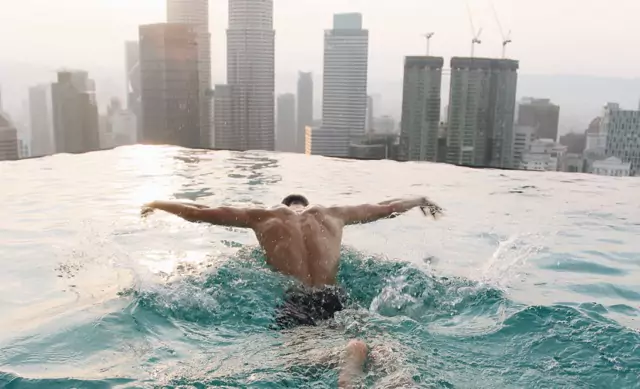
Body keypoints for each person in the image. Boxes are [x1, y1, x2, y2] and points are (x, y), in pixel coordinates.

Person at [141, 194, 443, 387]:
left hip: (296, 302)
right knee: (376, 343)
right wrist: (418, 199)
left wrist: (157, 203)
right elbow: (385, 207)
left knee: (300, 366)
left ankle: (346, 358)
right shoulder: (333, 214)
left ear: (284, 205)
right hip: (336, 299)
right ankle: (395, 378)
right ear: (306, 204)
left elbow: (198, 211)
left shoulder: (262, 217)